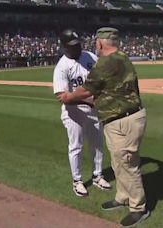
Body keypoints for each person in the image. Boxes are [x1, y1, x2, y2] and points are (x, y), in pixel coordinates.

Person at [58, 27, 149, 227]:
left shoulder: (105, 63)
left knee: (127, 163)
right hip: (121, 118)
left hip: (124, 119)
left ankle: (138, 207)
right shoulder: (122, 57)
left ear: (100, 43)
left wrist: (67, 97)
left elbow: (84, 91)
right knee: (118, 162)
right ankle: (123, 197)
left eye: (95, 43)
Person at [53, 29, 111, 197]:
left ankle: (97, 176)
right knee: (76, 146)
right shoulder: (62, 67)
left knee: (98, 144)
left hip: (94, 110)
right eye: (72, 46)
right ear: (64, 47)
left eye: (78, 44)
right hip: (74, 113)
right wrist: (90, 101)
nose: (77, 47)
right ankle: (77, 181)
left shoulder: (90, 57)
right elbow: (63, 97)